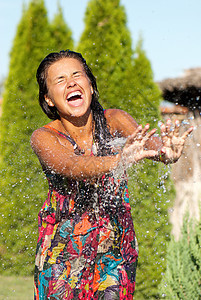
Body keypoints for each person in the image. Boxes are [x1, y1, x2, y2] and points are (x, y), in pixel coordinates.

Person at [31, 50, 193, 300]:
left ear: (91, 86)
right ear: (49, 99)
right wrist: (119, 160)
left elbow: (152, 146)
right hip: (62, 252)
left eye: (77, 75)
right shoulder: (44, 137)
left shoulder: (114, 120)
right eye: (60, 80)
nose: (71, 82)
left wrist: (167, 152)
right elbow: (72, 165)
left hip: (114, 246)